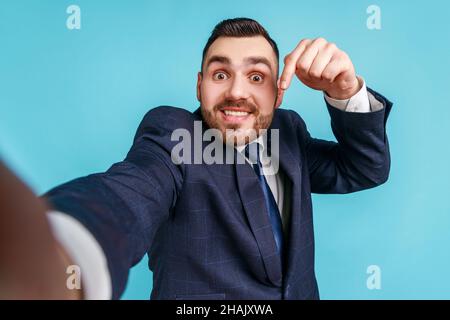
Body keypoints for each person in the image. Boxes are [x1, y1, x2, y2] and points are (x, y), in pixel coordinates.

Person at [0, 17, 393, 300]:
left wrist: (345, 90)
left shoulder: (288, 131)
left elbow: (364, 168)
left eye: (257, 77)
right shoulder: (173, 133)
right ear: (199, 85)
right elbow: (133, 190)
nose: (237, 91)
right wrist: (62, 254)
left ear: (278, 93)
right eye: (220, 74)